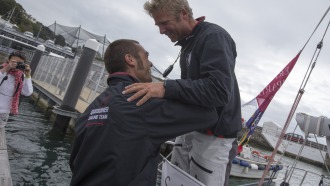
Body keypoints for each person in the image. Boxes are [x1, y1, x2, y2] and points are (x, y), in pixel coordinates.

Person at [122, 0, 242, 185]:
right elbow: (191, 92)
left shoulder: (214, 36)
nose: (161, 31)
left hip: (214, 138)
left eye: (164, 23)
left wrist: (165, 87)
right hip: (189, 129)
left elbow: (218, 91)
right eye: (158, 25)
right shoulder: (188, 44)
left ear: (184, 14)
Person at [69, 39, 218, 186]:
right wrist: (168, 88)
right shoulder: (142, 104)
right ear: (130, 59)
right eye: (146, 56)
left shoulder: (91, 109)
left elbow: (74, 163)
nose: (151, 63)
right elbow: (208, 115)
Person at [0, 51, 33, 128]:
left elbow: (27, 93)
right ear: (8, 60)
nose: (16, 65)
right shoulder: (2, 68)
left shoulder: (21, 76)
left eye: (19, 63)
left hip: (4, 111)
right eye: (14, 62)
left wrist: (28, 76)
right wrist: (7, 68)